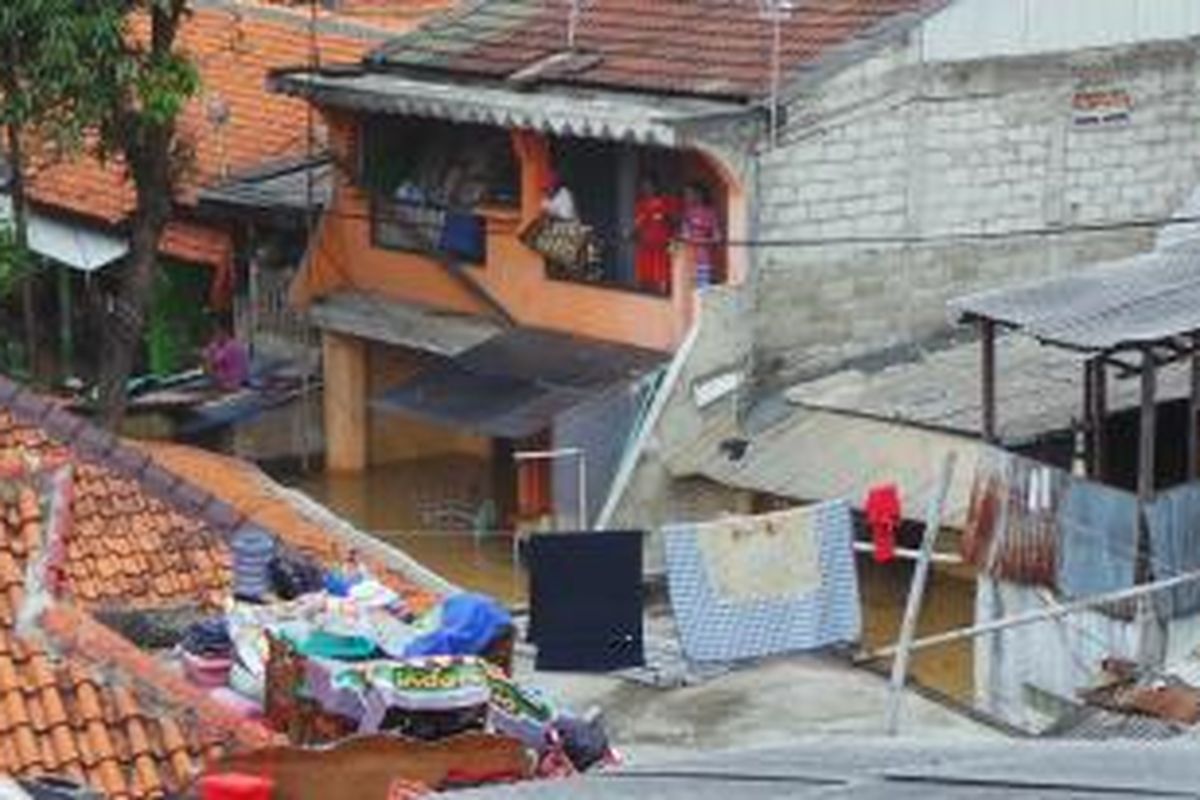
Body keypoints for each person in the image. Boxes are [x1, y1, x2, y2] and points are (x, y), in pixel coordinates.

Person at [633, 174, 679, 295]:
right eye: (644, 186)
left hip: (662, 243)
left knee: (661, 272)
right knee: (643, 272)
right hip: (645, 243)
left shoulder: (666, 201)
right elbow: (637, 223)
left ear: (656, 186)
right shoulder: (640, 204)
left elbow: (674, 221)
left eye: (649, 185)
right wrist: (634, 230)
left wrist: (672, 236)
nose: (647, 188)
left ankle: (662, 297)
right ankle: (642, 296)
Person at [680, 181, 722, 290]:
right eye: (686, 195)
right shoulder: (687, 212)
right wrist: (685, 236)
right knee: (689, 287)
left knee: (703, 288)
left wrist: (714, 239)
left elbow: (717, 234)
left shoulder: (710, 212)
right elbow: (684, 231)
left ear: (699, 195)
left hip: (704, 255)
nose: (687, 198)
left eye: (689, 194)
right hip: (689, 255)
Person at [203, 323, 249, 391]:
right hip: (240, 380)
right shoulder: (234, 343)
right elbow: (212, 347)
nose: (214, 338)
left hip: (232, 383)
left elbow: (211, 367)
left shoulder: (229, 347)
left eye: (215, 335)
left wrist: (207, 357)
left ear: (223, 333)